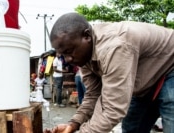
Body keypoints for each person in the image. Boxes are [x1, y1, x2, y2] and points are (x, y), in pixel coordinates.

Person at [44, 13, 174, 133]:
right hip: (147, 82)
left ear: (87, 36)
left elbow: (112, 109)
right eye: (63, 55)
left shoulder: (115, 47)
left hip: (170, 67)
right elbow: (93, 94)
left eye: (69, 51)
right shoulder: (83, 56)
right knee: (131, 128)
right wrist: (73, 124)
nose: (68, 60)